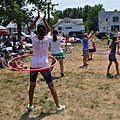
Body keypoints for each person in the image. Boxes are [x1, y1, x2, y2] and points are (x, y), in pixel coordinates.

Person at [27, 9, 65, 113]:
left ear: (37, 31)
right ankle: (57, 106)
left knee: (32, 85)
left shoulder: (34, 38)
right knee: (51, 85)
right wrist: (44, 19)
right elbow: (50, 29)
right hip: (44, 65)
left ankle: (30, 105)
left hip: (34, 64)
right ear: (44, 32)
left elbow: (30, 28)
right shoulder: (47, 38)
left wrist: (37, 18)